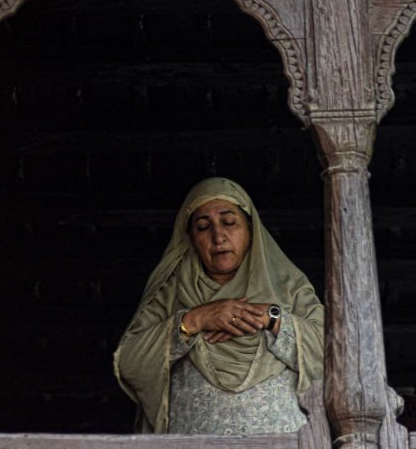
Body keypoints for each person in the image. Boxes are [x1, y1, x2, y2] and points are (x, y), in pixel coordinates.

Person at [114, 177, 324, 434]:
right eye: (203, 227)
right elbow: (129, 363)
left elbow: (334, 354)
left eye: (229, 222)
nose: (218, 236)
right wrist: (194, 320)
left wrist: (272, 317)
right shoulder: (171, 292)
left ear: (250, 230)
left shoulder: (288, 285)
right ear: (190, 239)